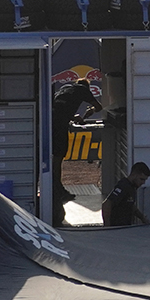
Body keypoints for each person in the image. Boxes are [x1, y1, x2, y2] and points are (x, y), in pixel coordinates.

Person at [51, 77, 103, 224]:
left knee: (55, 157)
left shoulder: (65, 88)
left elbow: (61, 107)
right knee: (59, 157)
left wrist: (73, 117)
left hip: (51, 121)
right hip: (59, 126)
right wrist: (90, 111)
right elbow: (98, 107)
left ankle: (57, 188)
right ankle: (58, 190)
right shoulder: (83, 90)